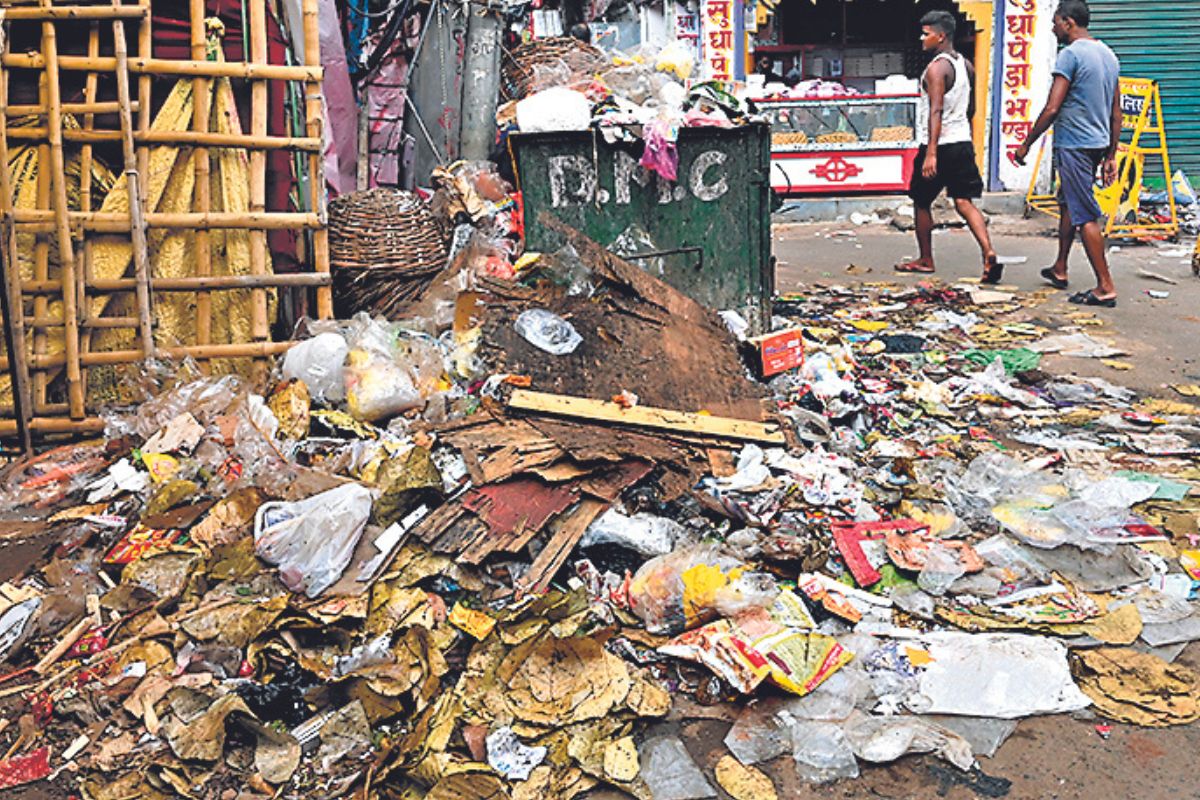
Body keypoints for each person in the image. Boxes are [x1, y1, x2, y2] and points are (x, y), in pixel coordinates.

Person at [1014, 0, 1121, 307]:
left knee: (1084, 213)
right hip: (1097, 143)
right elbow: (1117, 113)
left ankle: (1105, 286)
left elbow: (1052, 107)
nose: (1053, 28)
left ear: (1069, 22)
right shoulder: (1108, 55)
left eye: (1056, 22)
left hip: (1075, 143)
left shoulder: (1070, 54)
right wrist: (1111, 154)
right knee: (1068, 203)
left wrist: (1026, 144)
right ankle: (1060, 267)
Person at [896, 11, 1000, 282]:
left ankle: (925, 258)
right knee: (964, 202)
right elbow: (972, 107)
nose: (922, 38)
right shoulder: (966, 65)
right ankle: (988, 252)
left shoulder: (936, 69)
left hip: (939, 144)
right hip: (961, 142)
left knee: (920, 200)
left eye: (926, 33)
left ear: (940, 36)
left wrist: (931, 153)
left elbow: (936, 110)